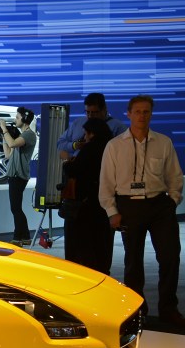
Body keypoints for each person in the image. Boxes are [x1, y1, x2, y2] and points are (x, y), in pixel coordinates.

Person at [99, 95, 184, 328]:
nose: (142, 116)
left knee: (170, 257)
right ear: (128, 114)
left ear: (151, 114)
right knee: (133, 261)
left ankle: (169, 309)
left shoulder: (163, 142)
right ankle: (137, 310)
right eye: (137, 111)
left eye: (146, 111)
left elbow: (175, 177)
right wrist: (112, 211)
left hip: (159, 205)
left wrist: (172, 201)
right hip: (129, 206)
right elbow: (106, 183)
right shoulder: (115, 146)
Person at [63, 118, 114, 273]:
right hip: (106, 205)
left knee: (84, 244)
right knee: (103, 244)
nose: (84, 137)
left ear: (92, 133)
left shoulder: (89, 149)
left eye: (86, 133)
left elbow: (75, 170)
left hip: (86, 205)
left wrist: (67, 162)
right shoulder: (112, 147)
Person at [0, 107, 37, 245]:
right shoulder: (22, 135)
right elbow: (8, 154)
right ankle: (25, 237)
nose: (15, 120)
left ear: (24, 119)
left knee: (15, 208)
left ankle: (17, 238)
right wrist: (4, 137)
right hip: (14, 175)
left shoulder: (29, 135)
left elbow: (13, 143)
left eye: (17, 117)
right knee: (16, 208)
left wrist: (4, 128)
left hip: (18, 175)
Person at [57, 92, 126, 161]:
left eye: (94, 112)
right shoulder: (78, 122)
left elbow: (124, 151)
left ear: (104, 109)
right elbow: (60, 143)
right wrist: (74, 145)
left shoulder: (118, 127)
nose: (90, 116)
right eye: (87, 112)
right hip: (75, 165)